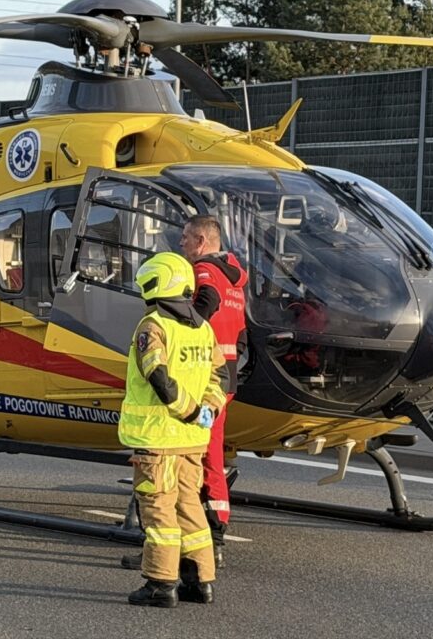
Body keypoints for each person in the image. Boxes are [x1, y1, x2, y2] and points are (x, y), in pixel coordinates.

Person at [120, 252, 229, 608]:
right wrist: (206, 413)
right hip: (192, 440)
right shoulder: (203, 327)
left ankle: (160, 584)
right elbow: (221, 377)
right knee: (190, 510)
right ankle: (200, 583)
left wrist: (188, 410)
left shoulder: (152, 326)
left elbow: (158, 378)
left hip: (158, 438)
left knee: (159, 512)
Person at [179, 214, 248, 567]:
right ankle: (209, 528)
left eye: (186, 237)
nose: (181, 244)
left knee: (199, 455)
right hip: (227, 376)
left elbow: (205, 303)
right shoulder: (235, 277)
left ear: (202, 241)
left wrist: (178, 327)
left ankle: (207, 534)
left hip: (205, 377)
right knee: (210, 452)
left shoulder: (205, 268)